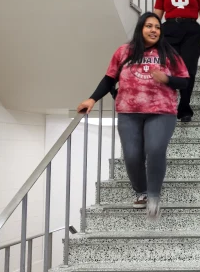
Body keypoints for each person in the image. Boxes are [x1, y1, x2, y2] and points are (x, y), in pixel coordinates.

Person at [78, 12, 189, 220]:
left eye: (157, 27)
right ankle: (142, 191)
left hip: (161, 112)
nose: (154, 30)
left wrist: (167, 79)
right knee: (132, 156)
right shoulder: (124, 52)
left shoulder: (169, 53)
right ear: (140, 29)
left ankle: (154, 196)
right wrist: (92, 99)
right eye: (149, 26)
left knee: (155, 149)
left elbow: (184, 82)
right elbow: (109, 78)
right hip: (129, 112)